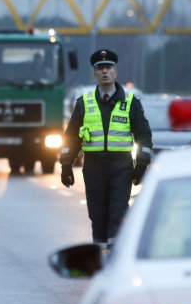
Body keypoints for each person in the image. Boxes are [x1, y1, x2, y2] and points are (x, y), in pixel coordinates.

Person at [59, 49, 153, 250]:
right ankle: (100, 252)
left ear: (115, 73)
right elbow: (71, 138)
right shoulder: (84, 103)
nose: (104, 72)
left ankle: (114, 254)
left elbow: (144, 136)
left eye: (108, 68)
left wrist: (141, 165)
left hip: (121, 166)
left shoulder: (130, 103)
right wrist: (66, 165)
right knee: (97, 213)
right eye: (100, 68)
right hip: (94, 166)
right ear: (94, 74)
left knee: (118, 211)